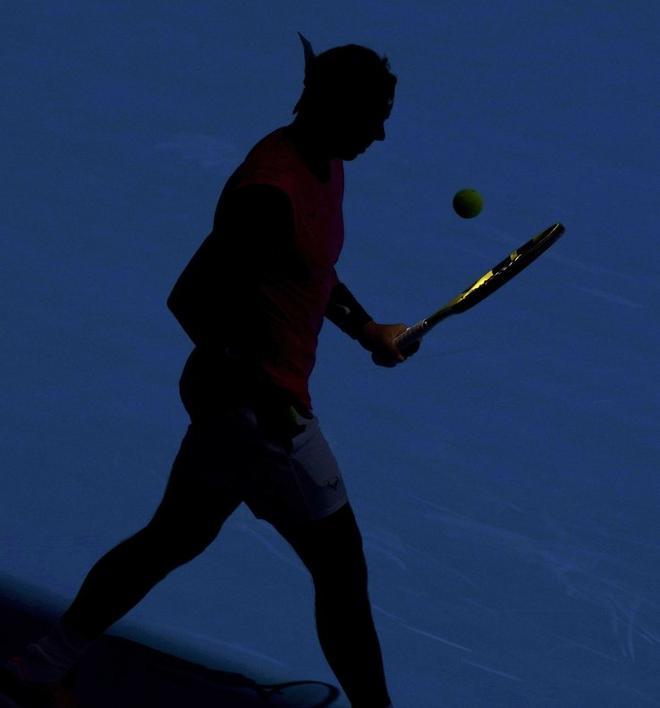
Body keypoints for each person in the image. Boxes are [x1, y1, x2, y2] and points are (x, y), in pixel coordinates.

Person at [1, 32, 419, 708]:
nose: (379, 136)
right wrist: (258, 396)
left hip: (245, 407)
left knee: (174, 536)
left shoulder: (325, 165)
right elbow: (191, 297)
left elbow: (310, 271)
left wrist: (366, 327)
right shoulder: (269, 190)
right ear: (337, 110)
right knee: (340, 571)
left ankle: (42, 664)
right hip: (259, 412)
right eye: (373, 119)